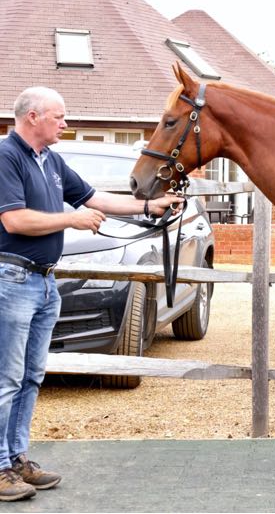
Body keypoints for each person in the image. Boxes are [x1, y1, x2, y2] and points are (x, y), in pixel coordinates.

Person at [0, 87, 182, 501]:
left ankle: (16, 460)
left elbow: (94, 198)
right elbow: (14, 221)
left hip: (43, 283)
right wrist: (72, 220)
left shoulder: (50, 160)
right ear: (32, 117)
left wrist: (149, 207)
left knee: (30, 376)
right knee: (7, 378)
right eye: (58, 117)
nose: (65, 124)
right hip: (12, 280)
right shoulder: (6, 157)